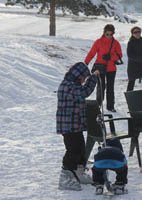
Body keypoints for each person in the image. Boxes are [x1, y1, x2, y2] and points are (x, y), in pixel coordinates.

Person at [56, 62, 100, 191]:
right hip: (68, 126)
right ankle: (65, 177)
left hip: (74, 125)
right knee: (73, 150)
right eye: (83, 78)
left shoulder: (72, 84)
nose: (83, 80)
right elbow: (85, 92)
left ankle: (78, 172)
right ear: (77, 76)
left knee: (81, 148)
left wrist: (91, 77)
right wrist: (94, 78)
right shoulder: (69, 86)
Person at [85, 24, 123, 112]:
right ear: (104, 32)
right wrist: (86, 62)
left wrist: (111, 57)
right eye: (107, 34)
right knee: (100, 87)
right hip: (100, 68)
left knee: (110, 87)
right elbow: (91, 53)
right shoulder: (98, 42)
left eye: (111, 34)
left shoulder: (116, 43)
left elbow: (119, 55)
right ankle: (98, 106)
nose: (109, 36)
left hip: (111, 69)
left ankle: (110, 106)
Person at [126, 26, 142, 91]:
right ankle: (129, 99)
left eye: (139, 32)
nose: (137, 34)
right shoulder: (130, 43)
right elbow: (130, 55)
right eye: (135, 32)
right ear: (132, 34)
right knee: (131, 83)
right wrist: (139, 59)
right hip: (133, 66)